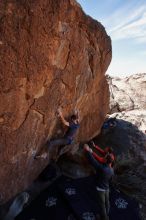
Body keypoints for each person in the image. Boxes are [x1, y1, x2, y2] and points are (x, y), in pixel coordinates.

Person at [84, 144, 114, 220]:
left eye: (104, 158)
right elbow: (110, 180)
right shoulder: (111, 170)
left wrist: (88, 151)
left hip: (101, 188)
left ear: (106, 160)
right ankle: (106, 214)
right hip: (106, 187)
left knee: (102, 205)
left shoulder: (102, 168)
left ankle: (105, 218)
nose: (103, 158)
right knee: (107, 202)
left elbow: (93, 161)